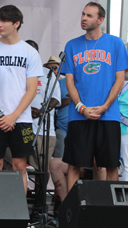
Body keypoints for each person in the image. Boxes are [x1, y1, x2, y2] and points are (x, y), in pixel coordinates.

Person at [61, 2, 128, 192]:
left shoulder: (115, 43)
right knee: (74, 164)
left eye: (89, 15)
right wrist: (81, 108)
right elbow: (70, 82)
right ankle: (72, 212)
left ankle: (109, 210)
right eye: (83, 14)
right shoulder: (72, 45)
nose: (84, 18)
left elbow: (120, 80)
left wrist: (105, 106)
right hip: (79, 115)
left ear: (100, 20)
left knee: (110, 164)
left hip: (107, 115)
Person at [0, 5, 43, 194]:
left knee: (19, 166)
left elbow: (32, 90)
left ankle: (20, 214)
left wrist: (13, 116)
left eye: (4, 20)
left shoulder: (30, 52)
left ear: (16, 23)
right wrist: (0, 115)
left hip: (21, 118)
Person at [29, 52, 61, 174]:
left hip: (44, 130)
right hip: (21, 127)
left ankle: (40, 193)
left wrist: (41, 112)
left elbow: (55, 98)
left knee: (42, 170)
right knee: (17, 166)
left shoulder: (47, 74)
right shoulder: (18, 72)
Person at [49, 74, 70, 202]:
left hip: (79, 129)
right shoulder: (60, 83)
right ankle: (59, 196)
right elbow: (55, 103)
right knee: (58, 161)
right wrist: (70, 99)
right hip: (62, 128)